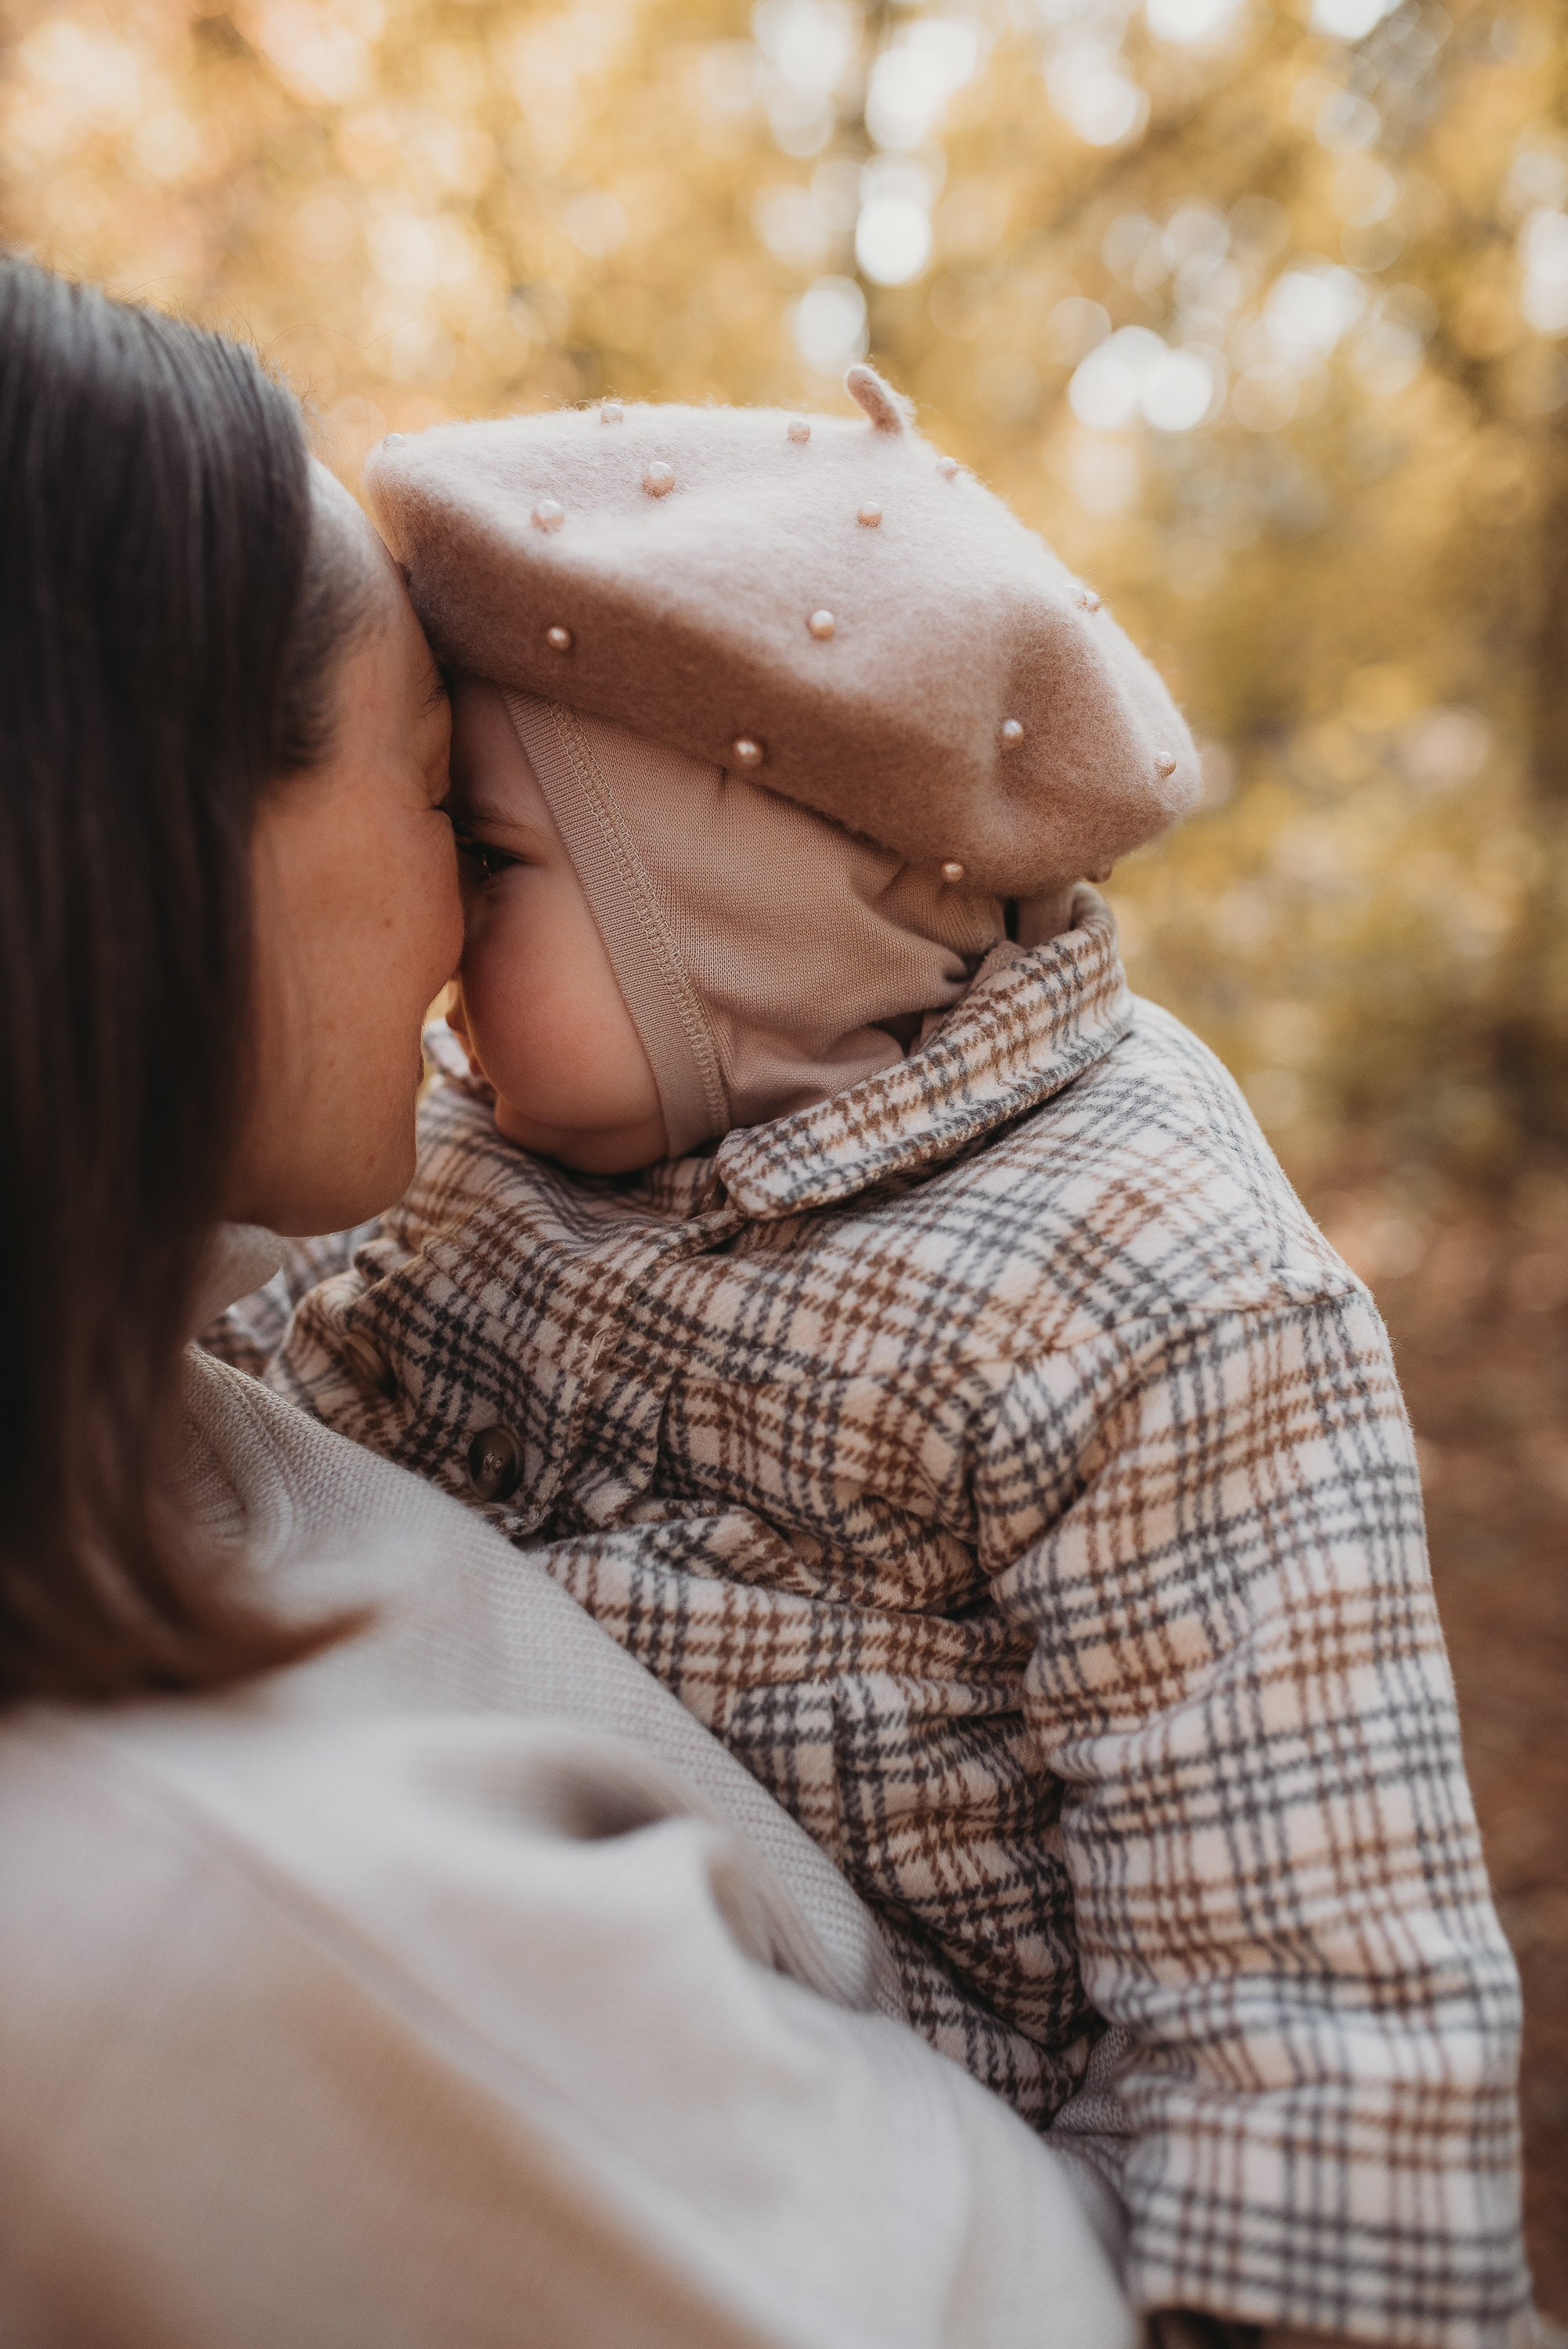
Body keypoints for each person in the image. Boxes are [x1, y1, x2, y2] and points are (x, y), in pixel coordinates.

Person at [247, 377, 1534, 2347]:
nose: (427, 928)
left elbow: (1313, 1995)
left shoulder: (1144, 1288)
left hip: (914, 2203)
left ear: (731, 910)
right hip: (513, 2084)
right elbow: (235, 1400)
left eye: (486, 855)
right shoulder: (471, 1156)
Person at [0, 256, 1144, 2347]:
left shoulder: (137, 1353)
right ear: (162, 850)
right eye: (451, 800)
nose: (459, 933)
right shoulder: (237, 1938)